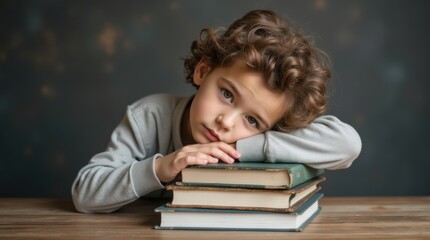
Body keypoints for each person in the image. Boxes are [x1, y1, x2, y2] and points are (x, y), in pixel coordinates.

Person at [72, 9, 361, 213]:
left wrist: (247, 145)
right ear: (203, 71)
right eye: (226, 94)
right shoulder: (149, 117)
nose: (226, 122)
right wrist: (160, 168)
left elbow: (347, 145)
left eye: (251, 120)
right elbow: (84, 194)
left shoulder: (261, 134)